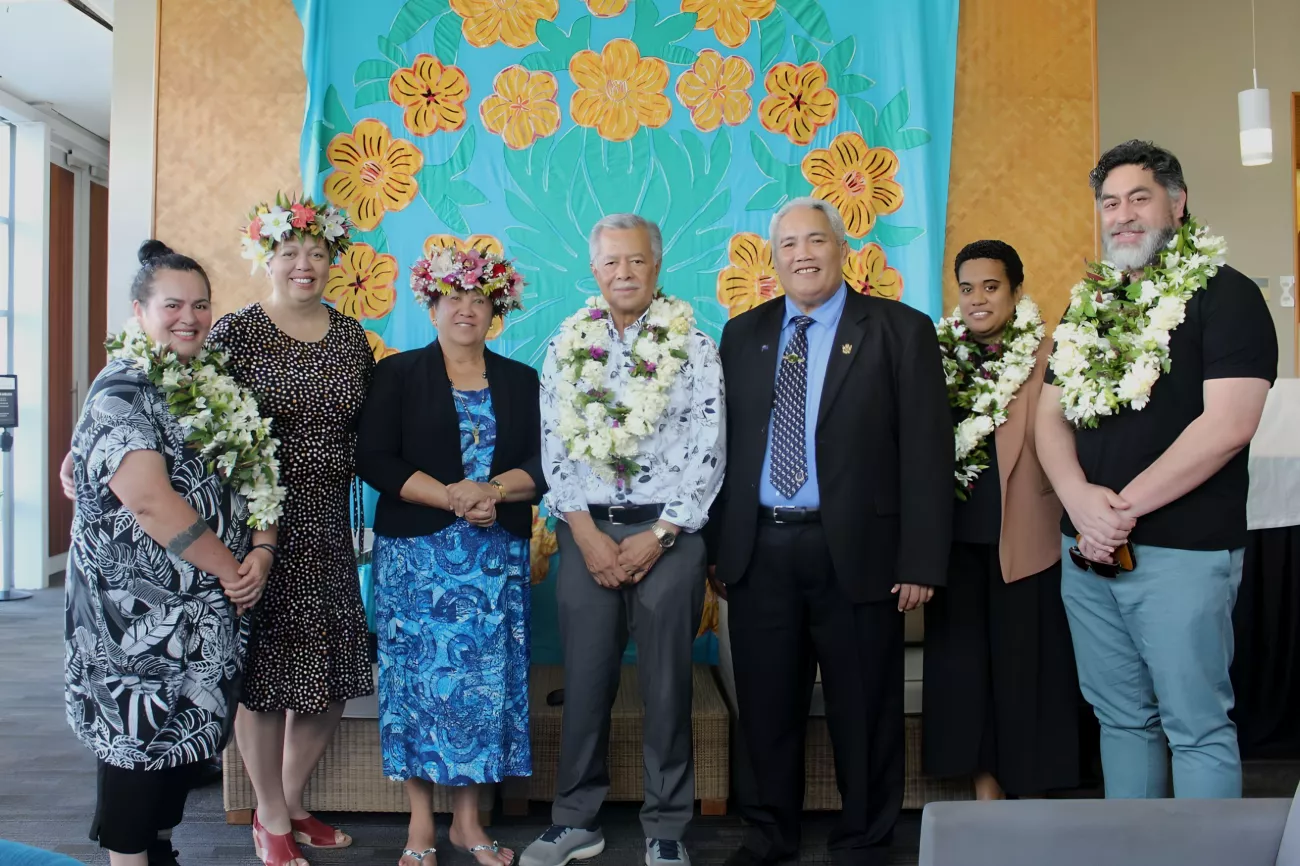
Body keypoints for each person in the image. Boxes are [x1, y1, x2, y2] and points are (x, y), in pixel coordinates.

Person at [707, 197, 952, 866]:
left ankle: (866, 838)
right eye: (788, 244)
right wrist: (719, 549)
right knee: (766, 706)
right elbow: (722, 450)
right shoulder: (742, 334)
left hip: (862, 554)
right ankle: (768, 833)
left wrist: (922, 559)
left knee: (864, 708)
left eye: (815, 240)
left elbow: (928, 452)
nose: (802, 254)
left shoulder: (899, 329)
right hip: (760, 550)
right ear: (774, 257)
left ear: (843, 249)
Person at [1037, 140, 1278, 799]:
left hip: (1181, 553)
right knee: (1120, 721)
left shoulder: (1226, 296)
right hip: (1087, 553)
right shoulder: (1090, 302)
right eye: (1110, 203)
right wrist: (1078, 498)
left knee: (1194, 726)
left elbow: (1229, 423)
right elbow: (1048, 418)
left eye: (1139, 197)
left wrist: (1116, 512)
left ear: (1178, 203)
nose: (1122, 215)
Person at [65, 241, 278, 866]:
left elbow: (256, 469)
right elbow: (151, 501)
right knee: (134, 743)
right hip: (135, 619)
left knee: (179, 746)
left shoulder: (207, 377)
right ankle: (130, 857)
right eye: (172, 305)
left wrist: (260, 548)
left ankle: (158, 849)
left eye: (201, 305)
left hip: (202, 610)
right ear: (139, 312)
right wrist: (233, 569)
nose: (189, 317)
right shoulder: (122, 391)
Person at [521, 214, 726, 866]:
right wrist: (582, 534)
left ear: (657, 267)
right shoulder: (565, 346)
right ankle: (576, 819)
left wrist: (662, 534)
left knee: (668, 686)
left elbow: (709, 450)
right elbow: (553, 449)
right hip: (587, 531)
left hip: (668, 531)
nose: (623, 273)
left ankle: (666, 827)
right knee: (585, 684)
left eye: (635, 261)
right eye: (611, 262)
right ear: (594, 270)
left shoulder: (693, 345)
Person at [356, 245, 543, 866]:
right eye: (453, 297)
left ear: (497, 307)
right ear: (431, 305)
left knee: (481, 689)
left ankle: (468, 822)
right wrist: (453, 499)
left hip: (493, 562)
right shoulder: (397, 373)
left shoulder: (522, 379)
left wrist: (491, 492)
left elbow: (544, 466)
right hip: (416, 559)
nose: (466, 308)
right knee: (416, 686)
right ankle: (419, 825)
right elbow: (376, 458)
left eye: (479, 298)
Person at [215, 195, 375, 864]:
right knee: (265, 673)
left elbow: (373, 426)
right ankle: (271, 818)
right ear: (268, 258)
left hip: (330, 523)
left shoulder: (349, 336)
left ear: (332, 260)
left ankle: (287, 798)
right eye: (290, 253)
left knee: (330, 671)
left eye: (316, 254)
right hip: (259, 524)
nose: (304, 265)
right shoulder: (236, 332)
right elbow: (183, 409)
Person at [921, 240, 1079, 800]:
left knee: (1024, 668)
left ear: (1016, 290)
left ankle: (1031, 789)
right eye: (967, 288)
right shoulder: (934, 356)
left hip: (1026, 538)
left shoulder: (1051, 354)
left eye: (991, 287)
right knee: (966, 670)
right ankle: (983, 782)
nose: (978, 299)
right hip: (955, 541)